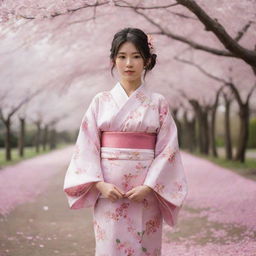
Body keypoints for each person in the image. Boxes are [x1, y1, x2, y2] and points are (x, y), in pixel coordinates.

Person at [63, 27, 188, 256]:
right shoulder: (100, 101)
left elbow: (167, 150)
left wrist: (149, 186)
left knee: (145, 246)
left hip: (145, 192)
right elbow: (86, 146)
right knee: (110, 246)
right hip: (109, 191)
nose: (128, 63)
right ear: (113, 60)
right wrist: (100, 185)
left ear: (147, 61)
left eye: (136, 56)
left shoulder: (158, 102)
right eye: (122, 56)